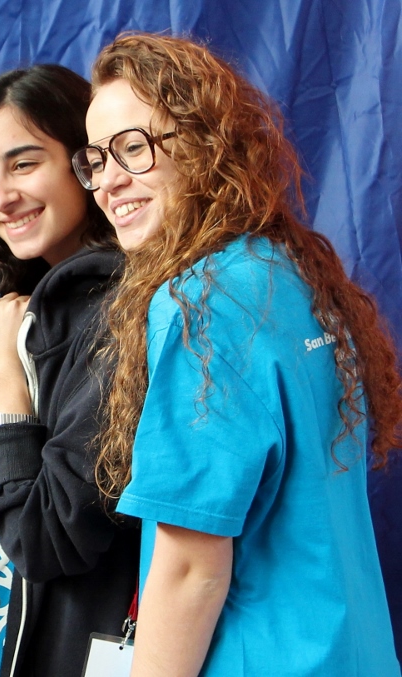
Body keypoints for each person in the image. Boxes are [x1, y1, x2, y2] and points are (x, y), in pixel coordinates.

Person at [81, 32, 402, 676]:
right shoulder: (292, 276)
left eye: (133, 148)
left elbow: (191, 569)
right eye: (95, 159)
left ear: (204, 146)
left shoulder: (203, 301)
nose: (109, 180)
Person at [0, 64, 140, 677]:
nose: (0, 197)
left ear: (86, 162)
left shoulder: (114, 309)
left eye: (23, 164)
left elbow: (45, 540)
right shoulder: (33, 295)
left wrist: (4, 386)